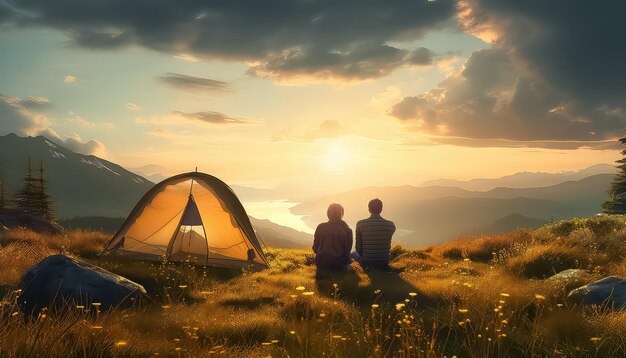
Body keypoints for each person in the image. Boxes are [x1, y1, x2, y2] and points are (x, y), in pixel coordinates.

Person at [352, 198, 396, 269]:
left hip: (366, 262)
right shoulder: (390, 225)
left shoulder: (360, 224)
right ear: (381, 209)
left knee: (353, 254)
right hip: (384, 261)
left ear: (369, 209)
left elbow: (358, 248)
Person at [312, 203, 353, 271]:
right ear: (341, 214)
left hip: (321, 263)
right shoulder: (347, 230)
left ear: (328, 213)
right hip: (340, 264)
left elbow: (315, 248)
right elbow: (347, 252)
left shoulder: (320, 227)